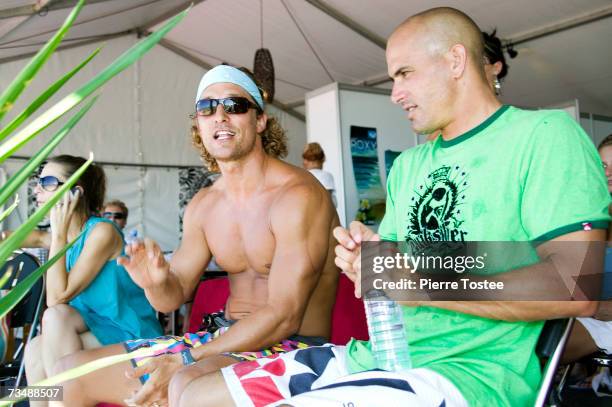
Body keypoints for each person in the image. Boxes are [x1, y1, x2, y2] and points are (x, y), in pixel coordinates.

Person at [189, 7, 609, 407]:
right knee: (191, 394)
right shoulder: (410, 165)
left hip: (470, 373)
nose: (395, 94)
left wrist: (421, 280)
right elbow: (387, 282)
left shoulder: (544, 136)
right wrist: (365, 263)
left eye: (405, 74)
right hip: (380, 355)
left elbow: (574, 284)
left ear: (456, 60)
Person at [55, 65, 339, 407]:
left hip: (295, 347)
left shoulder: (298, 195)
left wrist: (190, 357)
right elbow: (171, 298)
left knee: (185, 383)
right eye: (207, 108)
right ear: (198, 125)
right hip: (221, 338)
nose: (219, 115)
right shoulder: (204, 204)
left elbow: (284, 314)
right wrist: (155, 282)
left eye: (234, 105)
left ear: (260, 121)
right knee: (67, 376)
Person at [22, 156, 162, 397]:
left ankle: (66, 400)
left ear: (75, 193)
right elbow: (22, 236)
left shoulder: (102, 232)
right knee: (35, 349)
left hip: (131, 334)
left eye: (47, 181)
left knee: (54, 316)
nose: (37, 188)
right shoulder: (67, 237)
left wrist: (57, 236)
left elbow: (56, 298)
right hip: (93, 329)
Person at [563, 134, 612, 363]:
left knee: (537, 346)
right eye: (603, 165)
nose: (607, 172)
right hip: (585, 310)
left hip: (605, 318)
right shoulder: (590, 215)